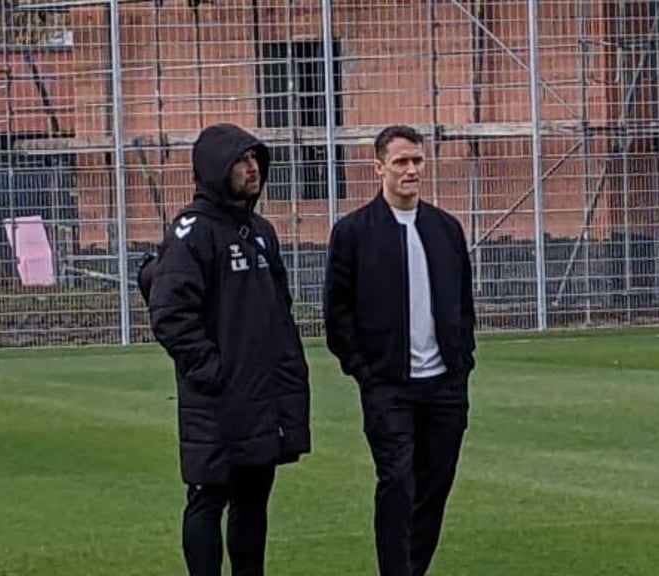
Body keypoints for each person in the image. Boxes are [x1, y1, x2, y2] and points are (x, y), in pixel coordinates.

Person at [145, 123, 311, 576]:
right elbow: (170, 313)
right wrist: (213, 371)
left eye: (255, 158)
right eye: (241, 160)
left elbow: (279, 308)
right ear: (216, 168)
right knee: (207, 498)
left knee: (253, 500)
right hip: (216, 401)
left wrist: (285, 372)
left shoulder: (259, 231)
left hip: (261, 396)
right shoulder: (193, 232)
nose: (252, 167)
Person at [323, 124, 476, 576]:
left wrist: (462, 360)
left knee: (435, 486)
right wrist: (364, 370)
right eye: (401, 162)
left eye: (417, 161)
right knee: (397, 482)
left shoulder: (445, 228)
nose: (411, 170)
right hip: (388, 385)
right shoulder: (353, 232)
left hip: (445, 384)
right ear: (379, 168)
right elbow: (338, 310)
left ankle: (415, 568)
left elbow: (463, 302)